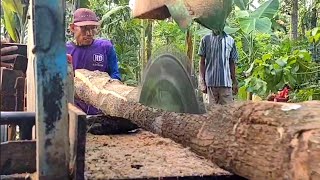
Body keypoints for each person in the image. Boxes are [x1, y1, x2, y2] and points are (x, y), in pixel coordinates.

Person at [67, 8, 121, 115]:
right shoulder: (64, 51)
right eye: (84, 28)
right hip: (74, 112)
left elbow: (115, 74)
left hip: (101, 113)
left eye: (93, 28)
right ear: (73, 28)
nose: (89, 33)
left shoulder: (105, 47)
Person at [198, 30, 239, 105]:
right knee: (212, 113)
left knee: (228, 112)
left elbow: (232, 63)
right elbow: (202, 63)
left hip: (226, 83)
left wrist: (234, 82)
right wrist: (202, 82)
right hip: (210, 84)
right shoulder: (205, 39)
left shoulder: (230, 40)